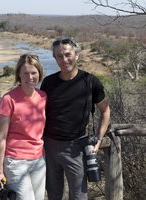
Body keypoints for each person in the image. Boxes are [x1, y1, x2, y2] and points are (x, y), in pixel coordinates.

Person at [40, 36, 110, 200]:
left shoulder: (90, 81)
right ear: (55, 58)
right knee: (54, 195)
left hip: (76, 148)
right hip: (49, 146)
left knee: (79, 196)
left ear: (76, 54)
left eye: (68, 54)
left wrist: (98, 141)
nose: (64, 59)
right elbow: (39, 114)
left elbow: (105, 111)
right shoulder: (48, 83)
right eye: (59, 56)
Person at [0, 54, 47, 200]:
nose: (30, 77)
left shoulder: (43, 97)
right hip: (16, 162)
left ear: (39, 73)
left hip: (39, 160)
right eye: (26, 73)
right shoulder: (8, 100)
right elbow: (1, 137)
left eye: (34, 73)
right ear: (19, 75)